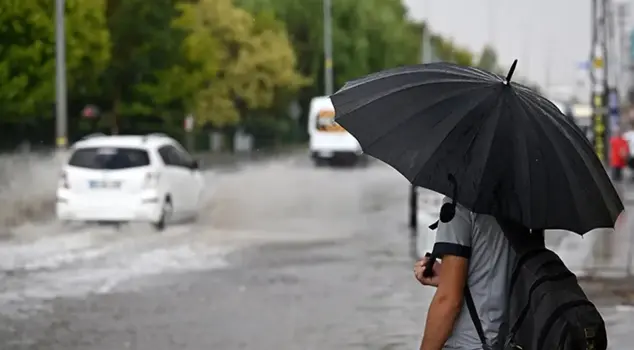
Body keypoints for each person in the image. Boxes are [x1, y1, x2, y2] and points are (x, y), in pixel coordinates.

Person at [413, 197, 515, 350]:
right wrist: (448, 277)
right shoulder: (521, 205)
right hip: (511, 341)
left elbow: (449, 301)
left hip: (468, 343)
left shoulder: (458, 205)